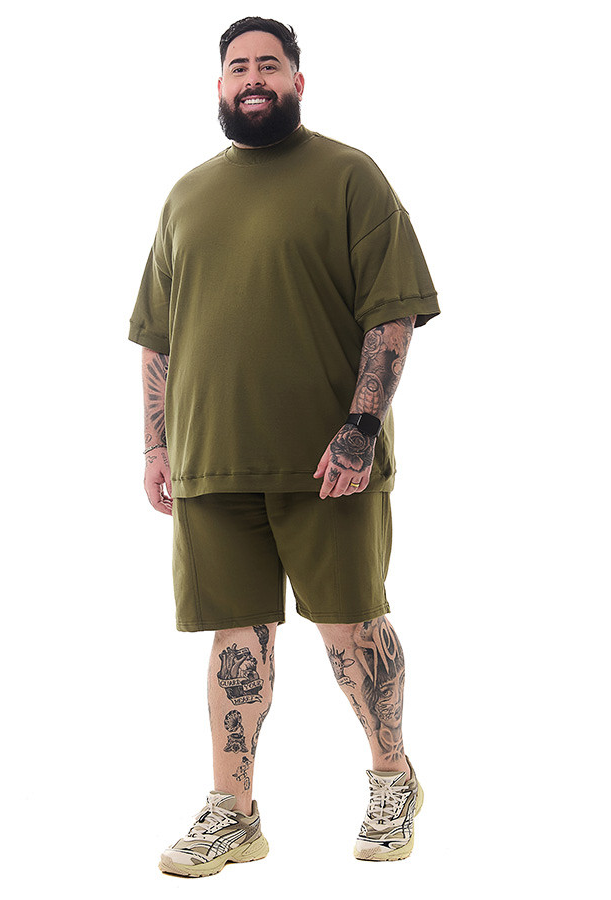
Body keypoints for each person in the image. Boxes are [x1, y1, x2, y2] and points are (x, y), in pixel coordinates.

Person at [128, 16, 441, 878]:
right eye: (238, 67)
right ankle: (233, 812)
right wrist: (154, 445)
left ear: (297, 81)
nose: (253, 78)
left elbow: (392, 313)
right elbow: (156, 336)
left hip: (327, 464)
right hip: (209, 462)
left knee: (349, 629)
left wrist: (361, 429)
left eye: (269, 64)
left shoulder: (348, 177)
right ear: (220, 86)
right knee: (235, 641)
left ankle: (392, 778)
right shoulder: (187, 194)